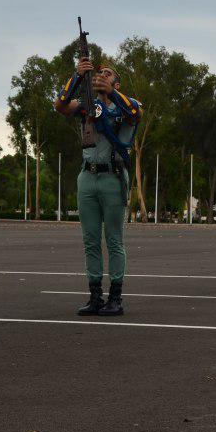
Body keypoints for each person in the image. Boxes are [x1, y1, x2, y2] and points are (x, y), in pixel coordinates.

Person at [53, 57, 142, 316]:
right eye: (99, 72)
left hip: (113, 176)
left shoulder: (127, 104)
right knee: (90, 240)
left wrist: (111, 93)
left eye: (108, 74)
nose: (102, 75)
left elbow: (136, 114)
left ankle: (115, 297)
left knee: (114, 240)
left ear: (117, 83)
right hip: (87, 176)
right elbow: (60, 105)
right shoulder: (86, 106)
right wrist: (77, 76)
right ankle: (95, 296)